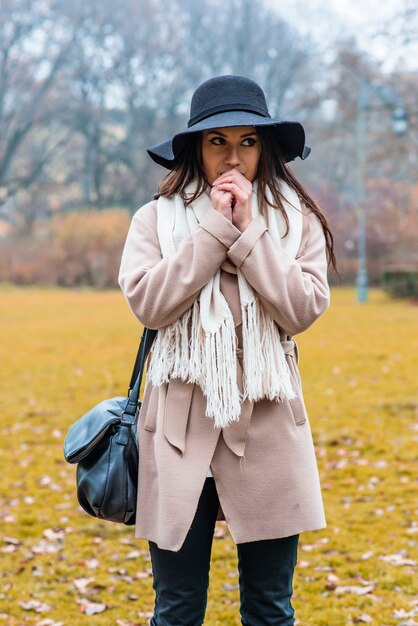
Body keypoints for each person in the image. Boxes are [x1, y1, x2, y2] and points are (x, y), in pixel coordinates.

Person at [118, 74, 336, 626]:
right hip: (177, 431)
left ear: (266, 149)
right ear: (196, 149)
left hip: (265, 427)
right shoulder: (155, 220)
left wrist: (249, 236)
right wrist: (215, 229)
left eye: (248, 141)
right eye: (218, 142)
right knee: (177, 610)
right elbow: (151, 304)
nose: (233, 157)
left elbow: (302, 308)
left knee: (269, 609)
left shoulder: (293, 222)